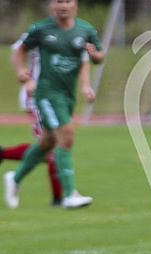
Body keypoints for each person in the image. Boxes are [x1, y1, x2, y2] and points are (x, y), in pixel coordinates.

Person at [5, 0, 104, 210]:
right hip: (46, 93)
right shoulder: (41, 30)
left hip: (68, 95)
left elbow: (94, 58)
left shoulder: (85, 30)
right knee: (66, 135)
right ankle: (69, 195)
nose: (63, 5)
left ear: (75, 4)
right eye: (59, 1)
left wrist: (92, 66)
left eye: (67, 1)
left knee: (47, 143)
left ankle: (15, 178)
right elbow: (18, 51)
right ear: (52, 5)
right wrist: (22, 72)